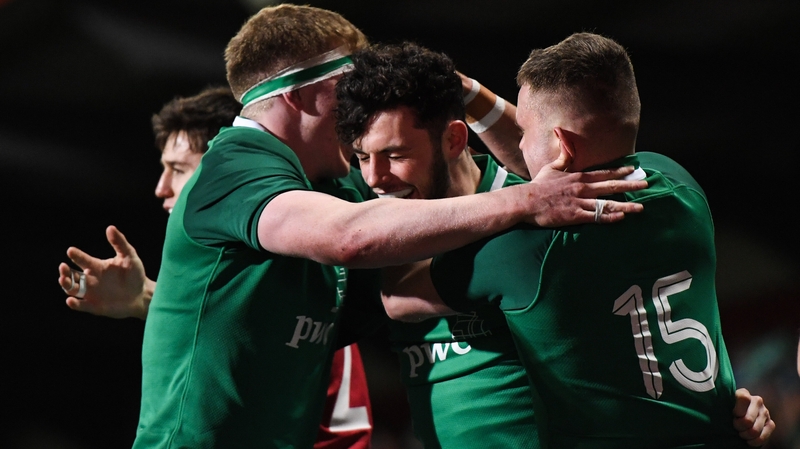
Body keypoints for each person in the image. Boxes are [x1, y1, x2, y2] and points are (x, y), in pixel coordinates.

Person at [129, 3, 654, 447]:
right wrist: (527, 204)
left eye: (393, 153)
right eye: (347, 85)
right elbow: (351, 240)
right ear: (300, 96)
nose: (361, 100)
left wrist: (463, 90)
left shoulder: (336, 187)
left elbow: (556, 158)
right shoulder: (241, 166)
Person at [339, 42, 775, 449]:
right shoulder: (680, 184)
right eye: (361, 157)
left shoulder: (525, 245)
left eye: (525, 130)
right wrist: (461, 88)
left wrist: (520, 199)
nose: (373, 177)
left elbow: (396, 294)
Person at [57, 85, 373, 448]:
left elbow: (344, 433)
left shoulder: (315, 293)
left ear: (227, 173)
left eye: (178, 169)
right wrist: (149, 298)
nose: (162, 187)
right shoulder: (279, 289)